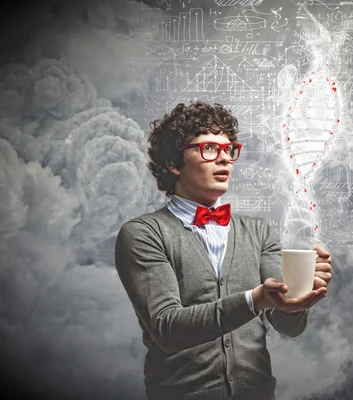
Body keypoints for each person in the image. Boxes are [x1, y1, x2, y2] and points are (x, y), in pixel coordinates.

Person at [114, 101, 333, 400]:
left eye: (229, 150)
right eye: (209, 149)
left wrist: (300, 294)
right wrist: (253, 299)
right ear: (173, 162)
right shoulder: (143, 234)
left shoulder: (260, 231)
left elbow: (287, 323)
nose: (225, 159)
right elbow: (167, 329)